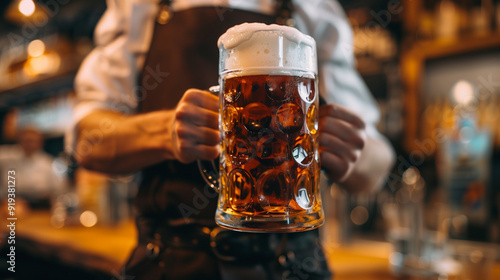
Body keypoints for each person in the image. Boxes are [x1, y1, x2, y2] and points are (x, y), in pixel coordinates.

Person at [68, 0, 395, 279]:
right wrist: (165, 131)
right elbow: (86, 142)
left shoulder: (310, 7)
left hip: (293, 265)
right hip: (171, 264)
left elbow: (378, 166)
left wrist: (351, 150)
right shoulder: (142, 6)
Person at [0, 126, 65, 209]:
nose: (29, 144)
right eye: (26, 141)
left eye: (33, 141)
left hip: (39, 206)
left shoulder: (48, 163)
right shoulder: (7, 157)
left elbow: (58, 190)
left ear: (40, 143)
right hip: (9, 204)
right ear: (20, 141)